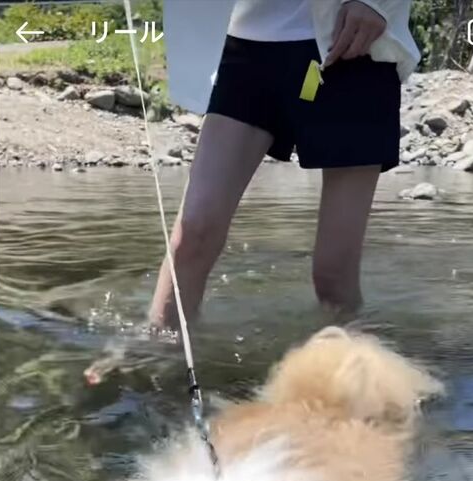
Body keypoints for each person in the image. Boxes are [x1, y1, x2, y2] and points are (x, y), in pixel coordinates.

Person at [149, 0, 420, 330]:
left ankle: (354, 376)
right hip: (245, 45)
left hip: (350, 43)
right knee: (192, 236)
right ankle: (157, 364)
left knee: (333, 276)